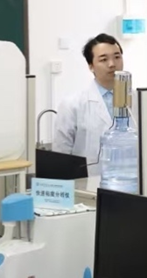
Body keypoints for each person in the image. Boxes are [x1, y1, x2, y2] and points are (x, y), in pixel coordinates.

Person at [53, 33, 124, 176]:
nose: (112, 64)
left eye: (117, 57)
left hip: (131, 181)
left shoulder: (138, 100)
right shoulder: (72, 104)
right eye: (103, 59)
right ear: (91, 66)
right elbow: (61, 153)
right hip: (89, 182)